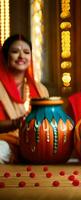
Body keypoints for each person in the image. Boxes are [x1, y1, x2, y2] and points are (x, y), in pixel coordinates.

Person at [0, 34, 49, 164]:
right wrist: (16, 123)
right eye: (15, 52)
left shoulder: (40, 89)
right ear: (5, 57)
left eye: (26, 52)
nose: (22, 56)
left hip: (35, 146)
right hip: (5, 143)